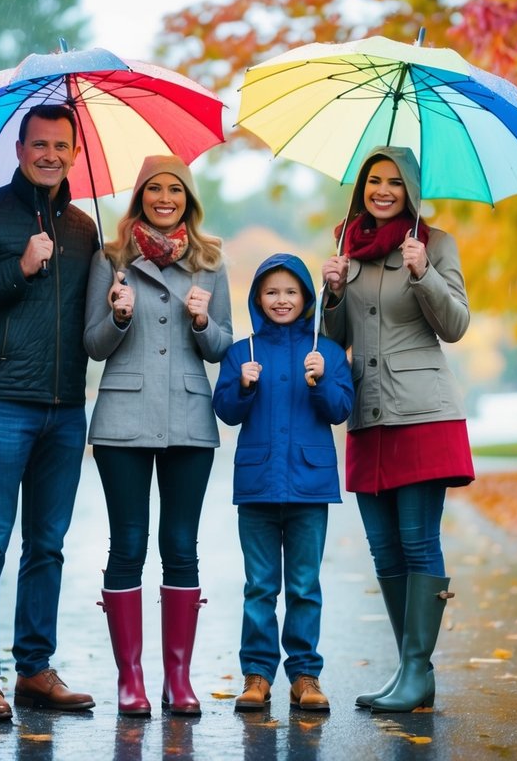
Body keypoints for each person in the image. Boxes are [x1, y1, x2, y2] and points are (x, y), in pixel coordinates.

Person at [0, 104, 99, 720]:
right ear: (19, 149)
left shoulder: (84, 230)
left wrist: (115, 299)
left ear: (75, 153)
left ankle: (34, 668)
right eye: (39, 144)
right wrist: (18, 268)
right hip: (0, 402)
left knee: (48, 545)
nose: (50, 154)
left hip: (64, 407)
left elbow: (92, 318)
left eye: (61, 144)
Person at [319, 145, 474, 714]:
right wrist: (331, 293)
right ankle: (409, 668)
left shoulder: (435, 244)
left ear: (411, 190)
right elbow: (332, 340)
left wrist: (424, 273)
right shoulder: (345, 246)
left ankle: (417, 670)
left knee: (416, 540)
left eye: (394, 183)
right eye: (373, 181)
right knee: (383, 549)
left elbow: (455, 324)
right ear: (362, 187)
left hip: (423, 411)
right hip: (369, 411)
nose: (383, 191)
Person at [84, 155, 232, 717]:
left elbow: (222, 347)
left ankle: (179, 679)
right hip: (123, 420)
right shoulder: (112, 259)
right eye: (154, 189)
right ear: (140, 196)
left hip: (190, 421)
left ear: (187, 199)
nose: (164, 198)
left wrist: (202, 322)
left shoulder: (210, 262)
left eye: (175, 190)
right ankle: (132, 680)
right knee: (128, 544)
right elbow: (92, 345)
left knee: (180, 547)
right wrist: (118, 315)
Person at [212, 253, 354, 713]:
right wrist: (244, 386)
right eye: (271, 292)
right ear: (257, 298)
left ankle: (305, 676)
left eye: (291, 292)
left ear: (307, 299)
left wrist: (319, 381)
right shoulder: (242, 352)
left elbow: (339, 409)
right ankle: (256, 675)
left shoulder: (326, 352)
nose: (281, 300)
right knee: (259, 586)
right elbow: (226, 411)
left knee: (304, 585)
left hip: (309, 488)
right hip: (257, 487)